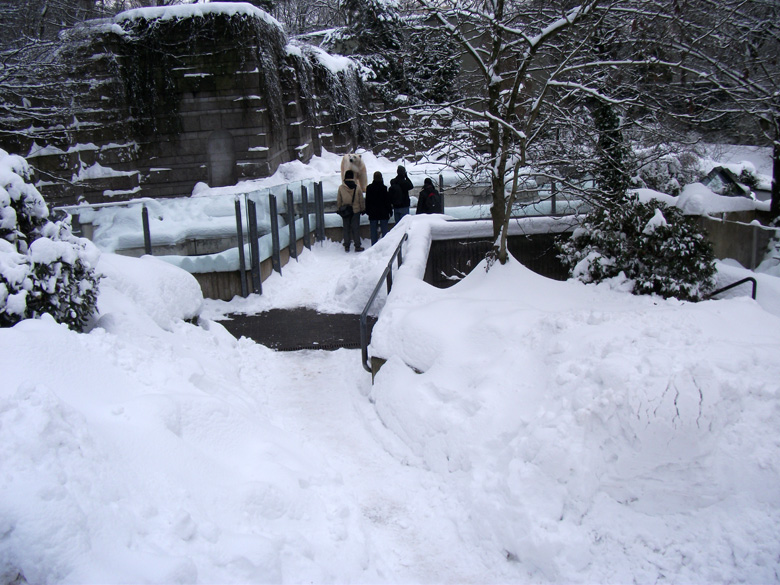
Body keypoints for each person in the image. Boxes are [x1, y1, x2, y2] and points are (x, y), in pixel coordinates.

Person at [337, 169, 366, 252]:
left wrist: (339, 209)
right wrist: (362, 209)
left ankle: (347, 245)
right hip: (355, 211)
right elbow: (361, 199)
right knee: (355, 229)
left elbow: (339, 200)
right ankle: (357, 246)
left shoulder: (341, 187)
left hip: (345, 211)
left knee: (346, 229)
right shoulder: (357, 187)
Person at [365, 171, 392, 245]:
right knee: (385, 231)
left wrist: (367, 211)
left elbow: (367, 201)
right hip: (383, 212)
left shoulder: (369, 188)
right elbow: (387, 201)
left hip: (373, 213)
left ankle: (374, 246)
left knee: (373, 231)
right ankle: (385, 245)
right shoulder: (384, 188)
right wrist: (390, 211)